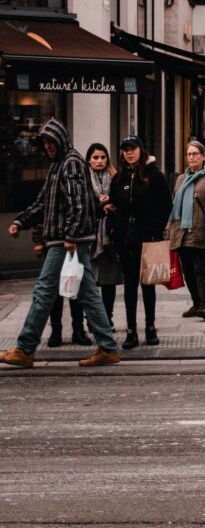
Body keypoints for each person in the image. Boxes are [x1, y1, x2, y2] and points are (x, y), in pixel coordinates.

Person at [0, 118, 120, 368]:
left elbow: (78, 203)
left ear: (61, 139)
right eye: (44, 142)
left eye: (51, 141)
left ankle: (25, 348)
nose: (47, 146)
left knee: (44, 291)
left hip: (66, 241)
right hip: (66, 239)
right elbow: (43, 202)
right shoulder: (58, 166)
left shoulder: (72, 163)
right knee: (87, 293)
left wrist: (71, 236)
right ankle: (108, 347)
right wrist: (21, 222)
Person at [107, 135, 172, 349]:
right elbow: (113, 207)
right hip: (126, 241)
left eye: (132, 148)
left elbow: (165, 207)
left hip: (147, 240)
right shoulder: (119, 179)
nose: (129, 152)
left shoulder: (155, 176)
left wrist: (153, 230)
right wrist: (114, 231)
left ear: (141, 150)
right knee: (129, 287)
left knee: (148, 286)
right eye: (125, 149)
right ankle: (131, 331)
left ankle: (151, 328)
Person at [168, 140, 205, 321]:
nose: (191, 157)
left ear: (203, 156)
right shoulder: (181, 178)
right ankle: (196, 303)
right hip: (181, 231)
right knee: (187, 270)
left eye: (195, 154)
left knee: (199, 268)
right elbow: (174, 205)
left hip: (200, 229)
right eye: (189, 154)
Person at [31, 225, 92, 348]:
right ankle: (56, 330)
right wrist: (38, 241)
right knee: (54, 291)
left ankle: (78, 329)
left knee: (75, 287)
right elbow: (42, 213)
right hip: (53, 245)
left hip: (73, 243)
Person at [86, 142, 123, 328]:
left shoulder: (116, 178)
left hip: (109, 237)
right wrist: (100, 205)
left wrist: (113, 205)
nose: (99, 161)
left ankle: (107, 318)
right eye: (95, 157)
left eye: (102, 157)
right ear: (89, 160)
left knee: (109, 282)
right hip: (90, 237)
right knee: (90, 283)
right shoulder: (84, 180)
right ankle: (92, 319)